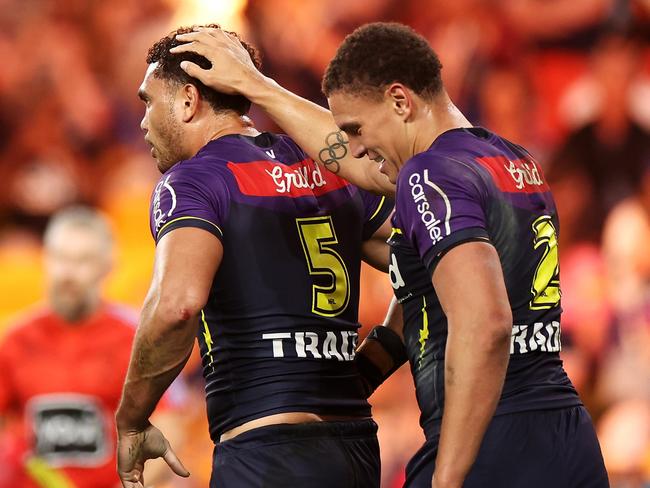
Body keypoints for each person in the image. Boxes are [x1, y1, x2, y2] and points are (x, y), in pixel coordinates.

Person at [171, 22, 609, 487]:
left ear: (401, 102)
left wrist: (447, 477)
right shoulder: (515, 163)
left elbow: (486, 324)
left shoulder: (429, 174)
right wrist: (363, 371)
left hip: (492, 442)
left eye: (357, 128)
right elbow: (439, 291)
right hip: (569, 439)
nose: (356, 148)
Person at [115, 25, 394, 488]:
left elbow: (177, 306)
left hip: (264, 450)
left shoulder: (193, 181)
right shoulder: (329, 169)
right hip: (356, 447)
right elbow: (424, 255)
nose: (143, 121)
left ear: (188, 100)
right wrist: (375, 360)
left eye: (148, 100)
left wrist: (132, 418)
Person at [0, 206, 163, 488]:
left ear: (107, 267)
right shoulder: (14, 340)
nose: (68, 273)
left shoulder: (138, 340)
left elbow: (168, 428)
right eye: (60, 258)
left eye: (83, 260)